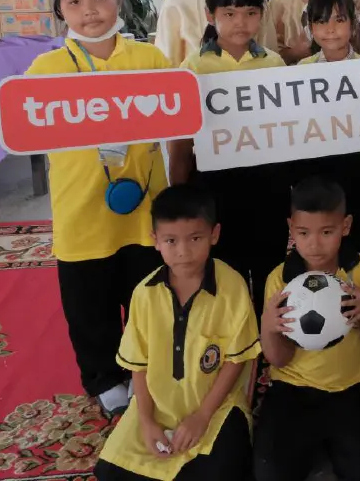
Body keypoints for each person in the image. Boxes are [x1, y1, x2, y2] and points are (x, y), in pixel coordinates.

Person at [26, 0, 169, 417]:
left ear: (119, 0)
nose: (90, 10)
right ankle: (105, 378)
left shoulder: (149, 58)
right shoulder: (45, 71)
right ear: (60, 10)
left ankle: (152, 369)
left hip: (145, 204)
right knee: (89, 304)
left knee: (148, 294)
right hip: (81, 208)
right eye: (75, 1)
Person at [93, 185, 261, 481]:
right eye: (171, 240)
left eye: (195, 238)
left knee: (223, 471)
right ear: (155, 240)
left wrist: (201, 417)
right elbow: (138, 366)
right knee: (108, 474)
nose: (183, 251)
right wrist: (146, 422)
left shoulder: (232, 286)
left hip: (216, 408)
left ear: (214, 234)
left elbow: (236, 361)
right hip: (157, 406)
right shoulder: (144, 294)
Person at [255, 176, 360, 481]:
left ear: (345, 227)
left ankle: (332, 441)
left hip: (349, 388)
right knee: (269, 472)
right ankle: (311, 443)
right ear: (291, 228)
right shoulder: (280, 279)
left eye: (327, 232)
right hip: (292, 390)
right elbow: (278, 359)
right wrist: (268, 326)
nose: (315, 244)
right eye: (304, 233)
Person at [171, 0, 288, 306]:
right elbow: (179, 143)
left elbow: (289, 130)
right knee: (226, 267)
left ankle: (270, 336)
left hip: (268, 184)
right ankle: (235, 337)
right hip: (215, 186)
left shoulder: (274, 64)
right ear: (211, 15)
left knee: (270, 263)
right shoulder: (192, 69)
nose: (242, 22)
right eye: (230, 14)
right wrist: (180, 192)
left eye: (251, 13)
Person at [292, 0, 360, 273]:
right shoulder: (300, 71)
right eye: (321, 21)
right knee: (323, 232)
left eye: (339, 20)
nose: (330, 29)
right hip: (317, 166)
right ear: (310, 27)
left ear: (353, 25)